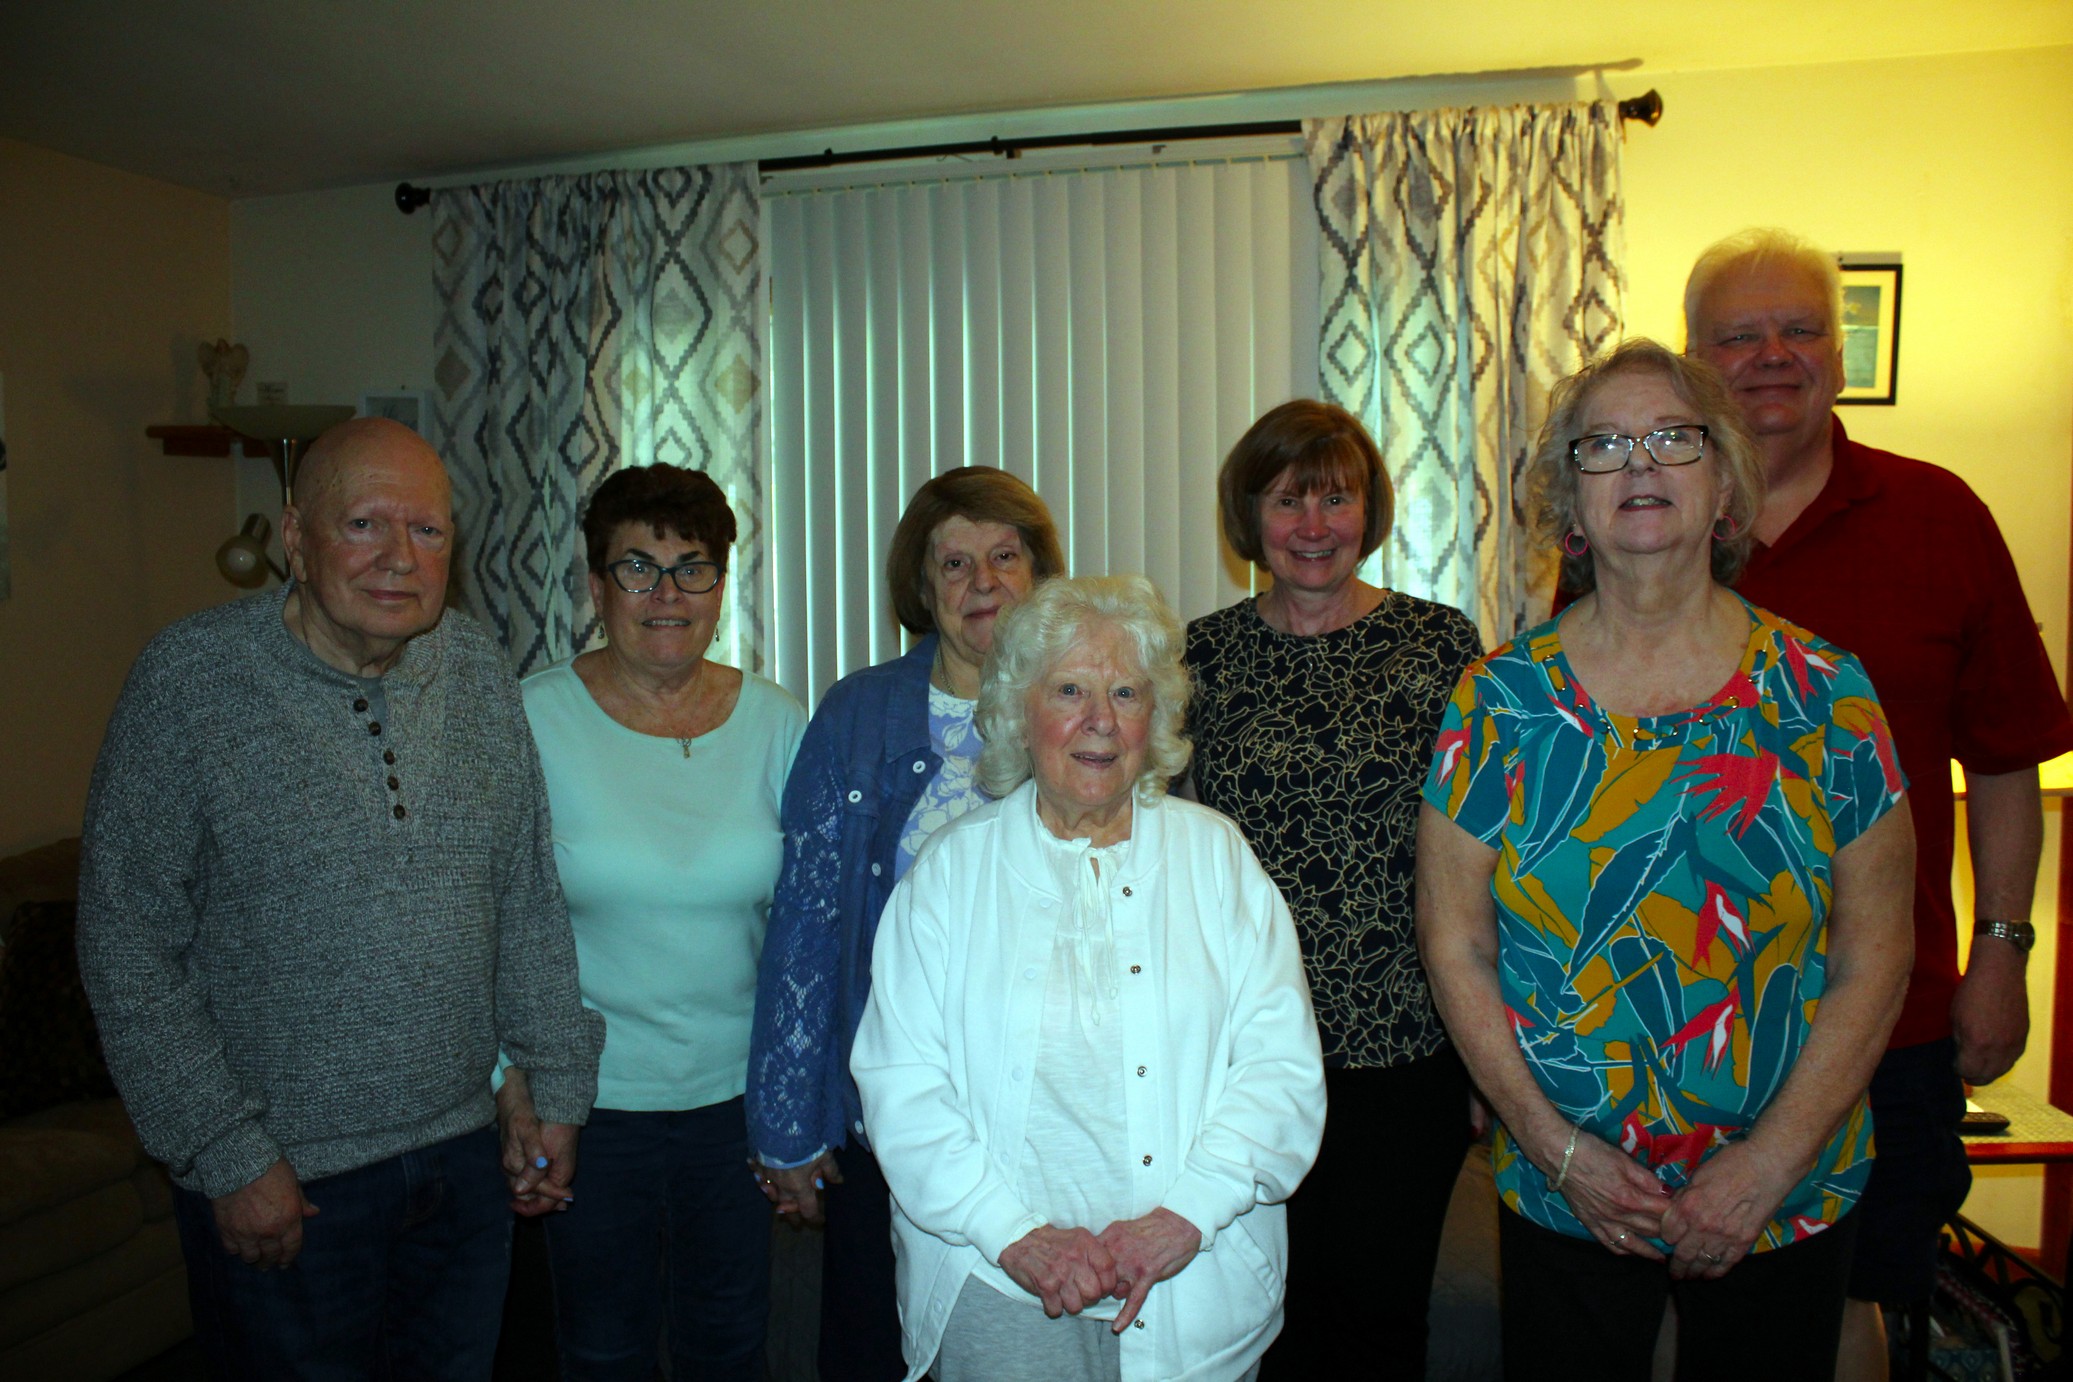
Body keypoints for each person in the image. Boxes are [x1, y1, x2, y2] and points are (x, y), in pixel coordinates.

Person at [1418, 340, 1916, 1381]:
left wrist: (1766, 1165)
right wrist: (1556, 1148)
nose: (1639, 464)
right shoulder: (1497, 702)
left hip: (1783, 1189)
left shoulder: (1826, 693)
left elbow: (1875, 955)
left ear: (1725, 484)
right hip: (1567, 1190)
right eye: (1602, 445)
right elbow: (1454, 943)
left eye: (1672, 439)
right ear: (1569, 502)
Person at [76, 418, 604, 1379]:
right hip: (288, 1180)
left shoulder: (478, 670)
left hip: (462, 1163)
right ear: (294, 536)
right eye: (363, 524)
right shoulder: (190, 683)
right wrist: (225, 1152)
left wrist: (552, 1082)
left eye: (428, 530)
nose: (400, 557)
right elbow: (126, 940)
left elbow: (525, 894)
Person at [1681, 228, 2073, 1375]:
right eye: (1738, 335)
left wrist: (2002, 950)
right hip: (1682, 1022)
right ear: (1696, 358)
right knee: (1688, 1311)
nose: (1772, 354)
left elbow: (2003, 760)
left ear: (1839, 352)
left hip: (1892, 1020)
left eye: (1800, 328)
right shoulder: (1640, 522)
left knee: (1859, 1300)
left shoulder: (1941, 516)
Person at [852, 574, 1326, 1381]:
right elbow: (902, 1087)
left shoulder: (1217, 859)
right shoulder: (949, 874)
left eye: (1125, 693)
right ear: (1018, 711)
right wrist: (1013, 1234)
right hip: (999, 1288)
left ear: (1155, 717)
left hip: (1194, 1281)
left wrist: (1186, 1215)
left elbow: (1279, 1071)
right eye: (1069, 690)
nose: (1099, 719)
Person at [1182, 398, 1482, 1376]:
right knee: (1258, 1317)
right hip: (1243, 1049)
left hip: (1403, 1046)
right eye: (1286, 500)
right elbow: (1172, 854)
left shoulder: (1441, 646)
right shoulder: (1199, 656)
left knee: (1380, 1319)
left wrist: (1489, 1054)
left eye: (1335, 499)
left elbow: (1488, 857)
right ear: (1250, 516)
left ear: (1369, 509)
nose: (1313, 525)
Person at [746, 466, 1065, 1381]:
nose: (982, 583)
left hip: (1046, 1110)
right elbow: (806, 922)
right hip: (888, 1109)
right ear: (922, 587)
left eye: (1005, 557)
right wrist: (788, 1122)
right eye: (954, 563)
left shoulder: (1084, 700)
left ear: (1039, 573)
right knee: (873, 1346)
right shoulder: (859, 714)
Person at [498, 464, 805, 1379]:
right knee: (602, 1350)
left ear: (721, 585)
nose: (667, 594)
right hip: (585, 1109)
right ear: (596, 587)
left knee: (731, 1344)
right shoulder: (527, 719)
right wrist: (512, 1090)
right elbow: (481, 926)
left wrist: (801, 1103)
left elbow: (811, 928)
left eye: (692, 568)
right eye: (637, 568)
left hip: (736, 1105)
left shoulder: (778, 723)